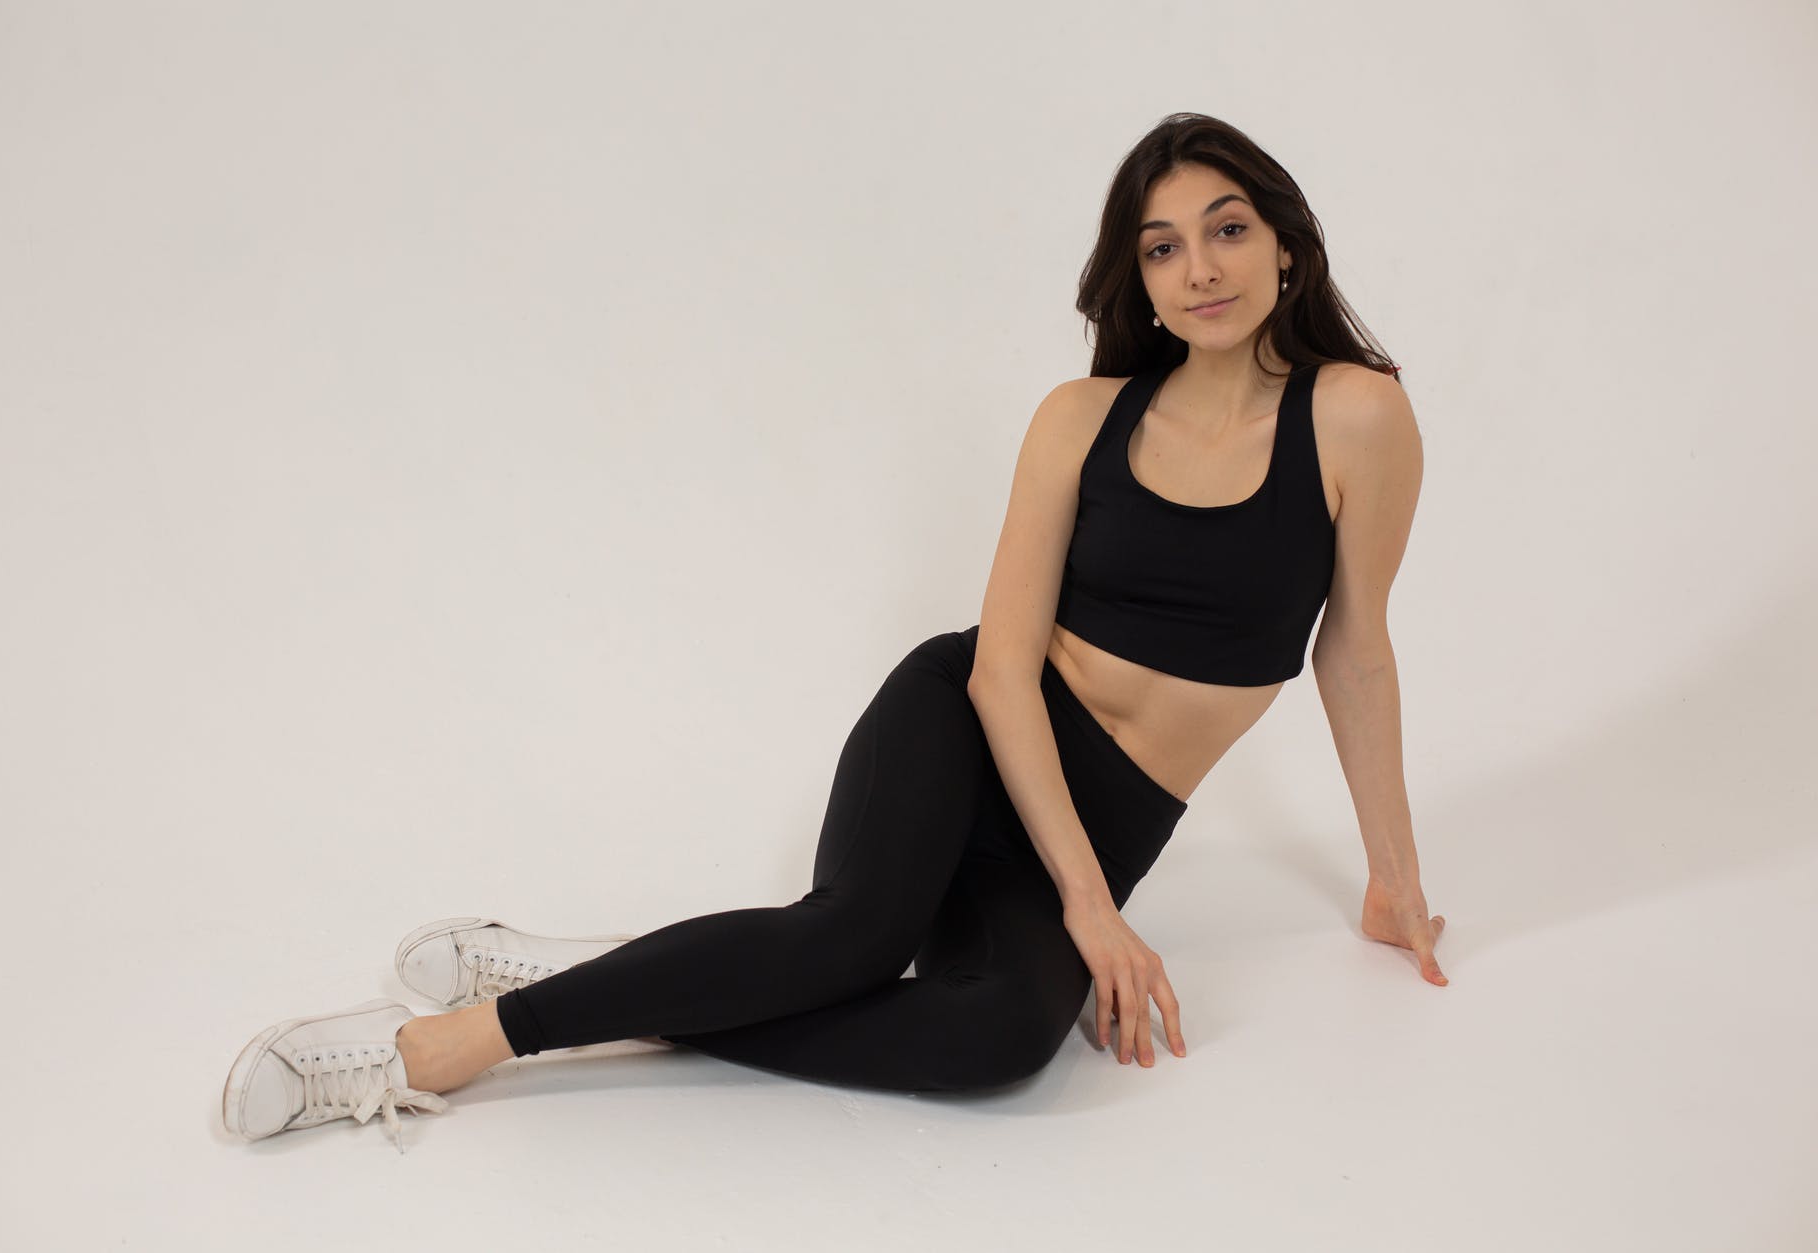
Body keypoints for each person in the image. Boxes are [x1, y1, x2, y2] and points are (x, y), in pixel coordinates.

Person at [222, 112, 1448, 1152]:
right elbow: (1005, 666)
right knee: (853, 936)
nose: (1201, 268)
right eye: (1163, 246)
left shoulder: (1354, 418)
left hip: (1100, 822)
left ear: (1283, 242)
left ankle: (602, 979)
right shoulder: (1078, 419)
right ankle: (443, 1045)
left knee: (998, 1040)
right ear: (1137, 279)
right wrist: (1089, 905)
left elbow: (1354, 648)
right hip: (970, 728)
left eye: (1227, 228)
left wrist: (1391, 881)